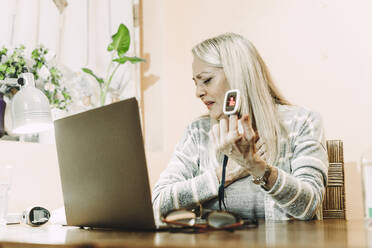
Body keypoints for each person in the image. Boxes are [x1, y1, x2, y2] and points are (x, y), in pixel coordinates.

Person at [152, 33, 328, 221]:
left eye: (207, 80)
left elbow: (309, 206)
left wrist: (256, 167)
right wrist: (226, 174)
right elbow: (158, 203)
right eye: (196, 83)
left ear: (238, 76)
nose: (198, 92)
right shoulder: (198, 132)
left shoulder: (302, 122)